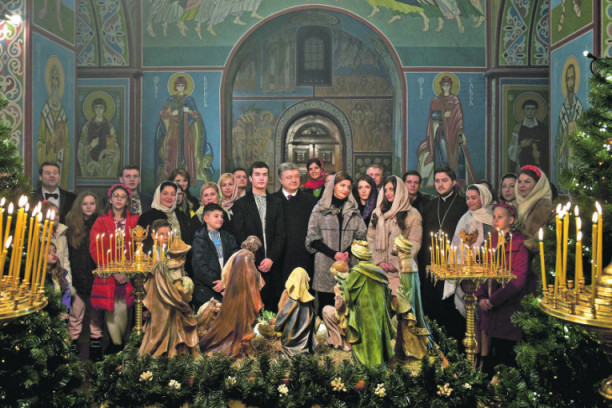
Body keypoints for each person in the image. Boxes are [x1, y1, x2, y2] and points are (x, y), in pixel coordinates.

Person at [476, 203, 537, 373]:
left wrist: (492, 300)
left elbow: (517, 281)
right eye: (494, 217)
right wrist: (481, 297)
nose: (495, 220)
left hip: (509, 310)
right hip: (490, 311)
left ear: (511, 220)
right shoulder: (491, 242)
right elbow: (481, 272)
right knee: (490, 353)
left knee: (507, 357)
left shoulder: (519, 245)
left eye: (500, 217)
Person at [305, 172, 367, 315]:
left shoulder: (354, 210)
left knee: (347, 311)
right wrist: (334, 254)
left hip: (349, 265)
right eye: (342, 185)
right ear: (333, 186)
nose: (346, 189)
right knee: (325, 310)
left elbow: (361, 236)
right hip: (325, 266)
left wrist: (347, 252)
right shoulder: (319, 208)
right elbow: (312, 238)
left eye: (349, 187)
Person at [418, 167, 468, 336]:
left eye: (444, 180)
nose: (440, 184)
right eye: (437, 181)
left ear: (453, 182)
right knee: (431, 307)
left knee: (450, 307)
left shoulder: (463, 205)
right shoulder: (430, 205)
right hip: (431, 263)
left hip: (452, 264)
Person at [89, 184, 138, 352]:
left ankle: (122, 347)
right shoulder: (101, 221)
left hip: (129, 275)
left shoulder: (135, 221)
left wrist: (128, 271)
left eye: (122, 196)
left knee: (125, 311)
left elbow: (138, 248)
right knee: (111, 311)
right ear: (110, 199)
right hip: (108, 275)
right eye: (116, 196)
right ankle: (114, 346)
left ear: (127, 201)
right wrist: (114, 271)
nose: (119, 199)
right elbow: (95, 249)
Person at [232, 161, 286, 312]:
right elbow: (239, 234)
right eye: (257, 174)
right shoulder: (241, 204)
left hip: (273, 265)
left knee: (272, 311)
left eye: (264, 175)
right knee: (251, 310)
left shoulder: (277, 203)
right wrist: (255, 258)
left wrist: (271, 259)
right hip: (250, 265)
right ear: (251, 178)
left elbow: (281, 234)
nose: (261, 178)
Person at [199, 236, 265, 357]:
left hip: (235, 293)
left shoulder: (239, 255)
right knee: (240, 322)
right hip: (243, 295)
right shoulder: (246, 257)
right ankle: (237, 347)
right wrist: (258, 281)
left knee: (233, 320)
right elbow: (250, 277)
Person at [367, 175, 422, 308]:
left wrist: (396, 264)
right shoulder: (378, 213)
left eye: (391, 189)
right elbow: (371, 240)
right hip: (379, 270)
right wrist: (379, 261)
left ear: (400, 191)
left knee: (399, 309)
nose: (388, 193)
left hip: (402, 273)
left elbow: (415, 243)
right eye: (385, 190)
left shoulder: (413, 214)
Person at [140, 238, 199, 358]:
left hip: (162, 302)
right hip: (174, 302)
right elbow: (178, 288)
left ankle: (172, 352)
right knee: (186, 323)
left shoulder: (163, 264)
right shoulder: (175, 267)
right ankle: (176, 353)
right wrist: (187, 297)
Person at [342, 240, 395, 368]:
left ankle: (366, 365)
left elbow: (347, 292)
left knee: (364, 337)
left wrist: (340, 278)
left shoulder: (357, 272)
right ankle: (378, 362)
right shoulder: (379, 272)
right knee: (377, 333)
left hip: (363, 311)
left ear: (357, 256)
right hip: (378, 309)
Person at [417, 75, 476, 188]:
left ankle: (459, 183)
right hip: (442, 132)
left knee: (459, 158)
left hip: (454, 132)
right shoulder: (436, 100)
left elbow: (458, 117)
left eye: (448, 85)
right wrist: (443, 115)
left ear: (451, 86)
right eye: (444, 85)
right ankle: (443, 182)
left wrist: (461, 133)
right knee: (444, 157)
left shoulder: (455, 100)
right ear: (441, 87)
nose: (446, 87)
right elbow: (433, 116)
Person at [446, 184, 493, 320]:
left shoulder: (493, 217)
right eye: (467, 198)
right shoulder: (465, 218)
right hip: (467, 269)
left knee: (487, 314)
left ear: (484, 198)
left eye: (473, 198)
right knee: (471, 311)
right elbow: (457, 246)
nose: (469, 201)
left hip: (488, 268)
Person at [65, 191, 101, 360]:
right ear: (79, 206)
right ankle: (72, 348)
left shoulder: (100, 224)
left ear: (96, 205)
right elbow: (69, 256)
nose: (88, 207)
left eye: (92, 203)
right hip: (77, 278)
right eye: (85, 203)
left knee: (96, 317)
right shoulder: (71, 226)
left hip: (96, 279)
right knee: (75, 316)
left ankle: (96, 348)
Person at [393, 234, 437, 361]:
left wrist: (402, 301)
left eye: (395, 244)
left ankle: (412, 351)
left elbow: (408, 289)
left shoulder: (406, 263)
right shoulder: (406, 260)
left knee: (405, 328)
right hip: (406, 301)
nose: (393, 246)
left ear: (400, 248)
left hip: (407, 304)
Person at [155, 75, 206, 183]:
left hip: (187, 130)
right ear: (175, 87)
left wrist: (189, 111)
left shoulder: (189, 99)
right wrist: (171, 113)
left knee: (187, 152)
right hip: (174, 130)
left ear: (185, 87)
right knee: (172, 152)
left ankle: (188, 178)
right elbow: (162, 112)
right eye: (178, 86)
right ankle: (172, 177)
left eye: (182, 85)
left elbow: (196, 115)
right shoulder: (171, 99)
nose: (180, 88)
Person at [272, 162, 317, 283]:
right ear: (281, 180)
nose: (294, 180)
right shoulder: (272, 200)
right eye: (289, 177)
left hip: (304, 257)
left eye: (296, 176)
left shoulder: (311, 201)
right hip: (279, 259)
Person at [191, 203, 239, 309]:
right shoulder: (199, 239)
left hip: (228, 286)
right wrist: (218, 284)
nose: (220, 219)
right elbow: (199, 266)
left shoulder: (228, 237)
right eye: (216, 216)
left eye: (222, 216)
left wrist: (225, 282)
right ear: (206, 218)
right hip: (207, 290)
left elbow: (235, 259)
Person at [274, 267, 317, 359]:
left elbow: (283, 317)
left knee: (289, 351)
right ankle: (302, 354)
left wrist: (277, 327)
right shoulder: (308, 302)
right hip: (304, 339)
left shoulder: (292, 301)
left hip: (290, 339)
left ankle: (291, 355)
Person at [138, 181, 190, 250]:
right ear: (158, 195)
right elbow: (143, 244)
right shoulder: (147, 217)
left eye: (173, 194)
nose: (169, 197)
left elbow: (187, 241)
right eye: (165, 193)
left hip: (181, 256)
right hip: (156, 256)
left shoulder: (181, 215)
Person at [77, 97, 120, 177]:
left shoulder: (110, 128)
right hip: (90, 161)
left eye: (101, 107)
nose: (99, 110)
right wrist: (91, 146)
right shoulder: (87, 127)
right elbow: (81, 148)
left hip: (105, 162)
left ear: (104, 109)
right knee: (91, 167)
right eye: (96, 107)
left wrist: (106, 151)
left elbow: (113, 148)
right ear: (93, 109)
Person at [555, 62, 583, 182]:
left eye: (572, 78)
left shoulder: (579, 109)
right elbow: (558, 139)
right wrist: (560, 148)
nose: (570, 83)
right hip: (565, 158)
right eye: (568, 79)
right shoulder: (562, 110)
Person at [515, 165, 553, 238]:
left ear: (538, 185)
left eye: (527, 182)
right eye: (519, 182)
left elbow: (535, 236)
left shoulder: (543, 205)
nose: (521, 185)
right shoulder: (517, 203)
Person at [515, 99, 548, 172]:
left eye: (532, 109)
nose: (530, 112)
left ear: (536, 111)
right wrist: (521, 145)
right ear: (524, 111)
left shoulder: (542, 128)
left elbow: (546, 147)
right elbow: (511, 149)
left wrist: (540, 154)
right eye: (527, 109)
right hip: (523, 162)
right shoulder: (518, 128)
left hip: (538, 162)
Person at [45, 243, 71, 315]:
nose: (53, 254)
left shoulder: (60, 273)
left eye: (55, 251)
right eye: (49, 252)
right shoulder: (41, 277)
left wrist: (64, 311)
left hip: (62, 314)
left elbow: (66, 293)